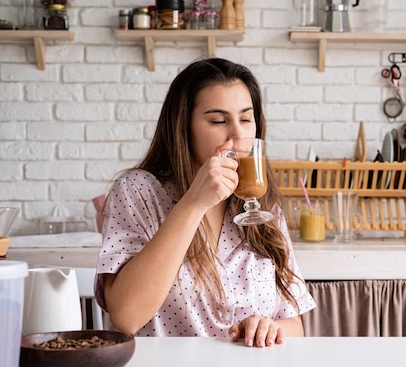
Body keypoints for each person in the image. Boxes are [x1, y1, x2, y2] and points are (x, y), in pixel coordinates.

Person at [94, 58, 316, 347]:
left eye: (246, 119)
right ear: (183, 128)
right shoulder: (138, 191)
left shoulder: (264, 206)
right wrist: (193, 204)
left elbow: (294, 324)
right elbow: (127, 316)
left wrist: (269, 328)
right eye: (218, 121)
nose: (237, 134)